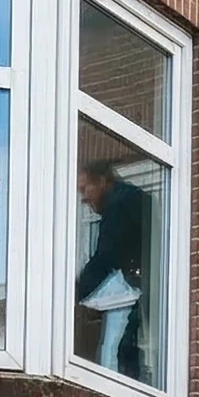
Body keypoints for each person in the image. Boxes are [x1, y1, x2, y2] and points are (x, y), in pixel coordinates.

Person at [74, 161, 152, 383]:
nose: (84, 198)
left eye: (84, 189)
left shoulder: (120, 205)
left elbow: (105, 258)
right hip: (143, 286)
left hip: (143, 289)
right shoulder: (129, 200)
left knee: (123, 350)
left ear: (101, 181)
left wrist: (76, 295)